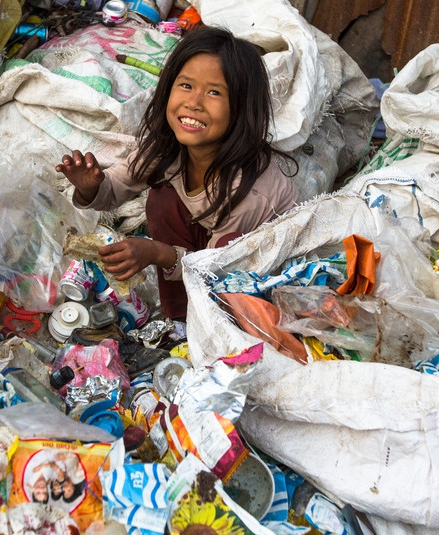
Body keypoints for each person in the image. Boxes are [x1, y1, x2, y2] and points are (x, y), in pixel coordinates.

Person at [56, 26, 298, 319]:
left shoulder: (249, 192)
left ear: (241, 109)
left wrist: (158, 253)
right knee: (163, 201)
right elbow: (120, 183)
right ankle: (179, 318)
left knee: (222, 244)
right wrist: (90, 187)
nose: (193, 103)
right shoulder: (167, 147)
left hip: (258, 267)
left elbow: (218, 266)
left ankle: (208, 321)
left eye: (214, 92)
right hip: (210, 247)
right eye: (186, 86)